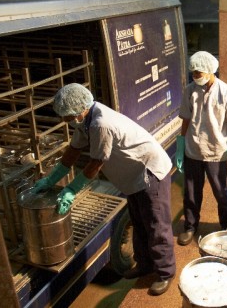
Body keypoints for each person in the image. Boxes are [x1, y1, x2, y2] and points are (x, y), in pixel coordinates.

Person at [31, 83, 176, 295]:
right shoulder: (85, 120)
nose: (65, 121)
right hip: (132, 175)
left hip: (149, 172)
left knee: (156, 224)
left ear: (81, 110)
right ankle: (145, 265)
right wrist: (51, 179)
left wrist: (71, 190)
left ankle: (165, 272)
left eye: (68, 117)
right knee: (139, 221)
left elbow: (95, 163)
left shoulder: (100, 124)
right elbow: (73, 151)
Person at [175, 51, 227, 246]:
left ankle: (226, 225)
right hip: (193, 149)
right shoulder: (190, 91)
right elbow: (186, 119)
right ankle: (190, 226)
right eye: (193, 73)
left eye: (198, 73)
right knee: (191, 192)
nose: (195, 76)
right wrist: (181, 145)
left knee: (222, 192)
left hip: (217, 151)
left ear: (209, 70)